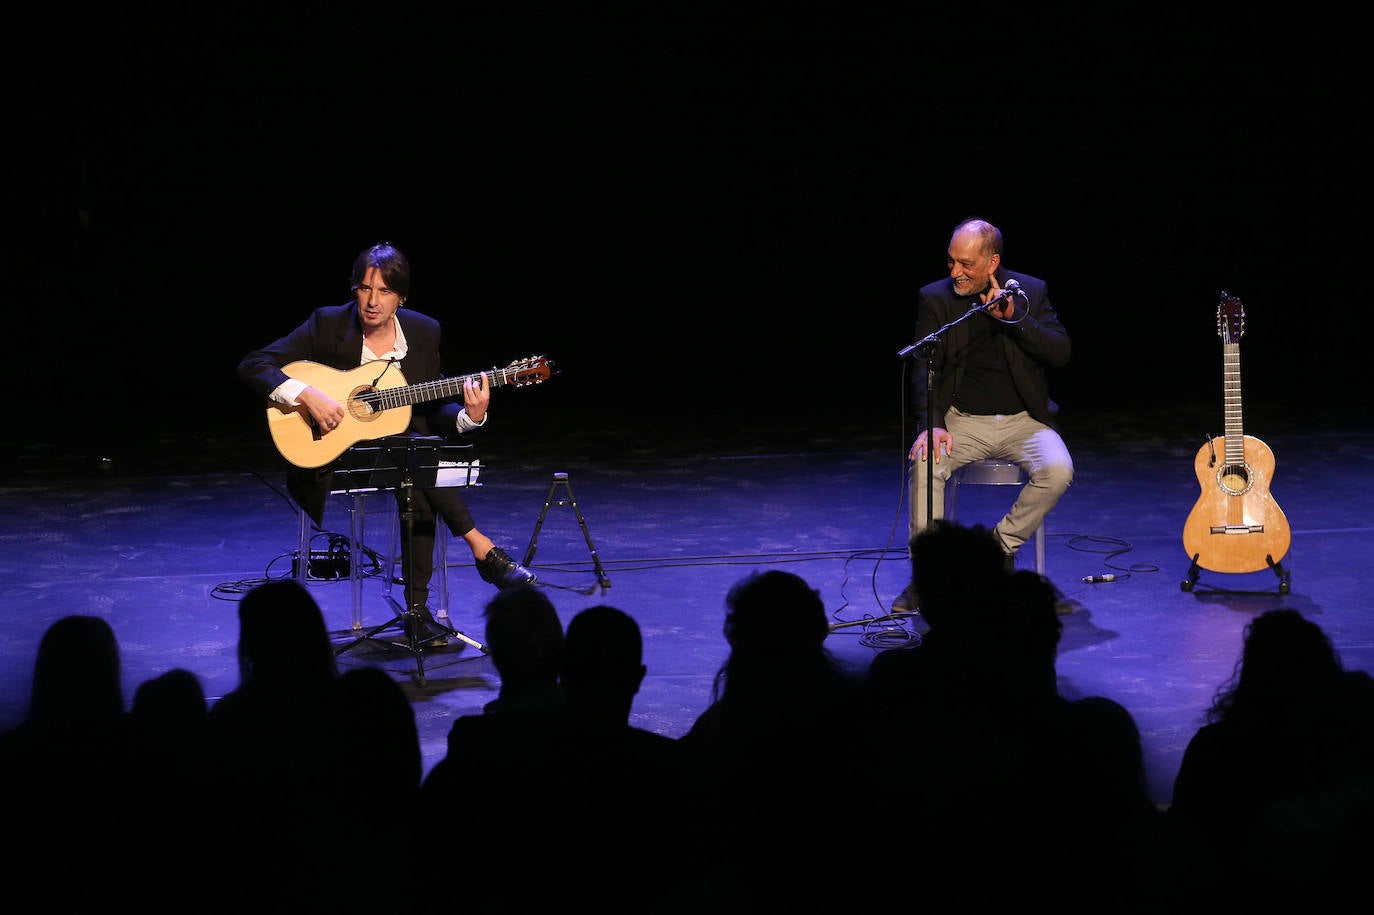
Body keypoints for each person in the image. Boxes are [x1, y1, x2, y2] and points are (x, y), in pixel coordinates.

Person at [237, 241, 536, 642]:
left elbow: (429, 408)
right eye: (364, 288)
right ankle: (481, 550)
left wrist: (471, 415)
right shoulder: (327, 323)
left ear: (402, 297)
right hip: (333, 454)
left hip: (399, 454)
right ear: (354, 290)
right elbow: (254, 364)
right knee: (416, 459)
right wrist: (306, 394)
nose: (372, 301)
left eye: (384, 292)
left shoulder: (423, 332)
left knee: (413, 461)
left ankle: (417, 611)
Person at [894, 217, 1073, 612]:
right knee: (926, 462)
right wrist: (932, 425)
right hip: (961, 420)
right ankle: (927, 575)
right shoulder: (936, 298)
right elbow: (925, 368)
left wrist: (1016, 320)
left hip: (1023, 421)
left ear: (992, 263)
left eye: (967, 264)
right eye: (951, 262)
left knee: (1058, 469)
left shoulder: (1031, 292)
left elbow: (1060, 352)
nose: (956, 272)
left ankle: (997, 550)